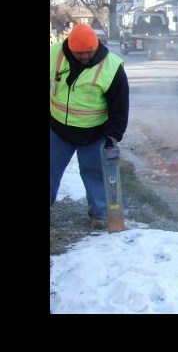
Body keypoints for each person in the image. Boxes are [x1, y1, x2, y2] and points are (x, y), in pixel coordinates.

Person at [50, 23, 129, 230]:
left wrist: (113, 135)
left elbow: (120, 107)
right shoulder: (54, 55)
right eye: (80, 53)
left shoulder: (112, 68)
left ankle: (100, 215)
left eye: (90, 52)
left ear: (97, 45)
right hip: (57, 129)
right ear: (69, 47)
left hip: (94, 133)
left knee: (95, 174)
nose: (85, 57)